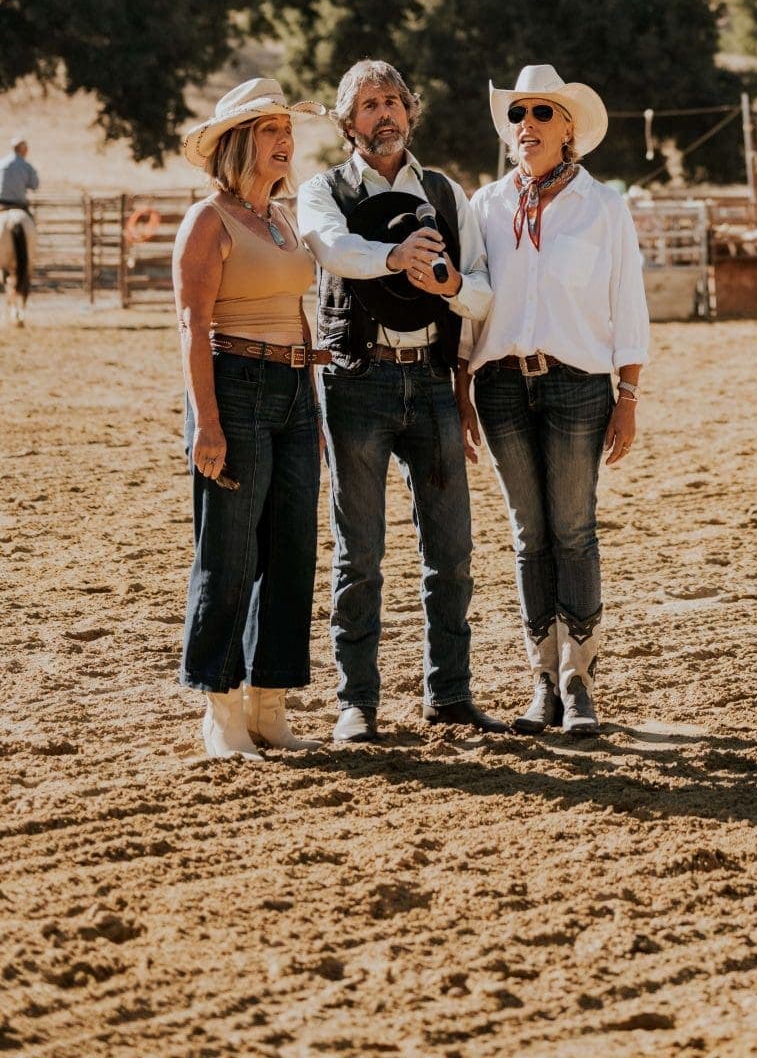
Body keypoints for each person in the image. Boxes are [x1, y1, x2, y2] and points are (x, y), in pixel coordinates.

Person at [297, 59, 499, 745]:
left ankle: (450, 696)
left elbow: (480, 289)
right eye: (368, 105)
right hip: (357, 381)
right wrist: (396, 257)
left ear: (410, 112)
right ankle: (356, 701)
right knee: (359, 551)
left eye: (393, 102)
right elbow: (332, 249)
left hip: (434, 382)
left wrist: (441, 284)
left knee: (452, 549)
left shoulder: (445, 192)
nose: (383, 115)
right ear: (347, 121)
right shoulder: (321, 191)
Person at [468, 65, 648, 736]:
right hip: (500, 384)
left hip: (577, 384)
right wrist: (463, 388)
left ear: (569, 128)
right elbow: (471, 309)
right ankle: (541, 680)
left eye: (542, 113)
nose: (527, 125)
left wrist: (627, 393)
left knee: (573, 528)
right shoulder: (484, 206)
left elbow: (626, 303)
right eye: (517, 114)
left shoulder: (603, 207)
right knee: (527, 534)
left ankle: (579, 682)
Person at [172, 77, 326, 758]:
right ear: (237, 143)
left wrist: (308, 388)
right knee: (230, 551)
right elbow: (191, 323)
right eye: (268, 130)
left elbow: (295, 304)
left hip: (295, 388)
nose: (283, 139)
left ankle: (269, 705)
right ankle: (221, 710)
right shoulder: (208, 220)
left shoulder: (283, 218)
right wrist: (206, 421)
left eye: (285, 128)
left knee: (291, 548)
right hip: (232, 386)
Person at [1, 138, 40, 210]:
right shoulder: (26, 166)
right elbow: (35, 185)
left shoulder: (1, 163)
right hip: (18, 203)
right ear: (23, 149)